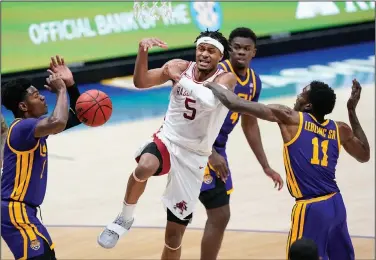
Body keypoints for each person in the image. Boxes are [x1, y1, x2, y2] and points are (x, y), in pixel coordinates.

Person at [98, 30, 237, 260]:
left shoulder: (225, 79)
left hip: (194, 156)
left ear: (220, 57)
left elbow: (210, 101)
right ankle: (124, 217)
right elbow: (141, 82)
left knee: (173, 238)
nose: (204, 54)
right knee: (145, 166)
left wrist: (180, 79)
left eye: (211, 51)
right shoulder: (181, 66)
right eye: (201, 48)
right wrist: (142, 52)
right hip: (169, 139)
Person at [207, 79, 369, 260]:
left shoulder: (290, 118)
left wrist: (208, 83)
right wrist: (351, 110)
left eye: (301, 94)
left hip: (310, 207)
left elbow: (234, 103)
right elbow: (364, 155)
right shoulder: (340, 129)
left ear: (308, 105)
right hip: (336, 203)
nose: (297, 97)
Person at [198, 27, 283, 260]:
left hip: (217, 149)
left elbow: (250, 124)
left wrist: (265, 165)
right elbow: (194, 119)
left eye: (246, 49)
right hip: (199, 147)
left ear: (254, 52)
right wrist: (210, 153)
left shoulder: (254, 81)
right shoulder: (217, 74)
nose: (241, 53)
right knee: (217, 214)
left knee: (218, 215)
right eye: (236, 48)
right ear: (228, 50)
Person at [1, 55, 82, 260]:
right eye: (36, 95)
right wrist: (61, 90)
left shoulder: (33, 129)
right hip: (15, 211)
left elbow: (76, 116)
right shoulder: (22, 128)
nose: (43, 97)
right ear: (23, 106)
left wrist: (71, 85)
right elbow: (58, 121)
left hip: (24, 212)